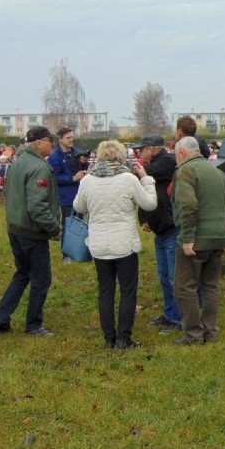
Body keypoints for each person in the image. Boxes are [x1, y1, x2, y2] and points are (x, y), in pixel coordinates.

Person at [73, 139, 157, 349]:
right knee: (128, 291)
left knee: (106, 291)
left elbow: (78, 206)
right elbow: (150, 203)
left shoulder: (89, 181)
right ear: (121, 155)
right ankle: (123, 337)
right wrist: (147, 180)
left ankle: (109, 338)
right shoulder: (128, 179)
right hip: (124, 244)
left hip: (100, 244)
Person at [0, 126, 61, 337]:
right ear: (39, 142)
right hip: (32, 232)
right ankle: (34, 324)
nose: (53, 144)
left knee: (22, 273)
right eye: (50, 140)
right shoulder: (39, 167)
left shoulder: (18, 163)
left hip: (15, 228)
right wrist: (54, 228)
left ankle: (1, 317)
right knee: (41, 279)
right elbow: (37, 207)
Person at [171, 136, 225, 345]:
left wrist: (188, 237)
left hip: (196, 238)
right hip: (217, 236)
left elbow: (187, 206)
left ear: (181, 153)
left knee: (185, 287)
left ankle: (194, 334)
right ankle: (210, 331)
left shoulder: (185, 172)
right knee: (211, 286)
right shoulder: (218, 173)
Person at [132, 134, 181, 334]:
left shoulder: (167, 162)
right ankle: (169, 314)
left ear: (151, 149)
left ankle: (178, 318)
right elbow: (146, 192)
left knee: (173, 277)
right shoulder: (155, 165)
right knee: (163, 276)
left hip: (171, 228)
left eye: (141, 149)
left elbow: (142, 176)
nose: (139, 153)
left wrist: (138, 171)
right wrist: (144, 218)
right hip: (160, 229)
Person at [47, 127, 88, 264]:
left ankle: (78, 250)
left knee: (80, 224)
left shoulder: (76, 151)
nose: (71, 140)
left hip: (80, 194)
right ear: (60, 140)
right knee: (67, 224)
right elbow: (54, 178)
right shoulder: (54, 157)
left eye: (72, 137)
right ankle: (66, 254)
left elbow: (82, 169)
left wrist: (84, 164)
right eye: (68, 138)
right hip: (66, 196)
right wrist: (72, 178)